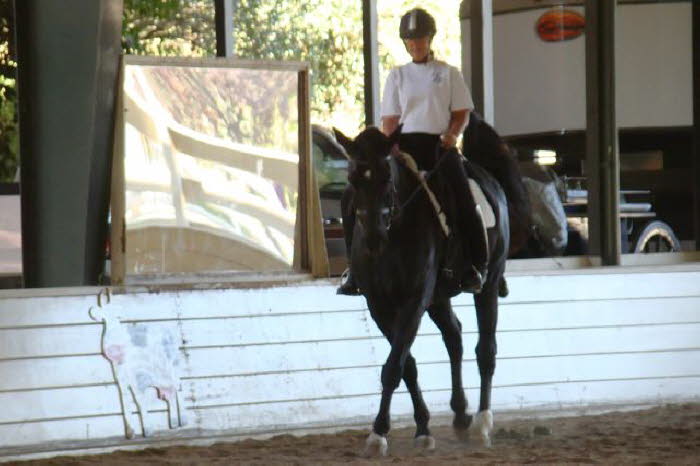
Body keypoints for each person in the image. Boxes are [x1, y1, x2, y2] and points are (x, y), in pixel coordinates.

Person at [337, 7, 488, 295]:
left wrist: (453, 134)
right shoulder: (397, 76)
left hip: (439, 147)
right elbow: (390, 119)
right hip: (403, 148)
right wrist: (388, 149)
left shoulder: (448, 73)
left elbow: (461, 112)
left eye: (420, 39)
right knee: (352, 196)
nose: (416, 45)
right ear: (405, 44)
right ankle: (354, 270)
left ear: (430, 39)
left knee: (463, 196)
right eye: (410, 41)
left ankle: (474, 265)